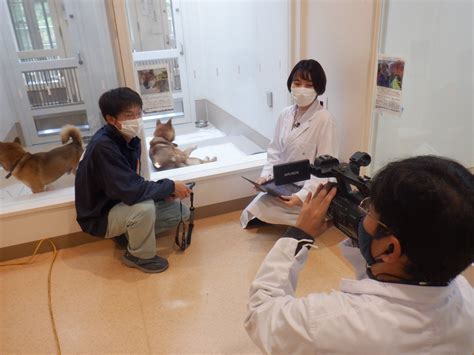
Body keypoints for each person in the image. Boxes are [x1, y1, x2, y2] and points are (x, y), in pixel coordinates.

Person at [245, 155, 474, 354]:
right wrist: (363, 241)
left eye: (369, 210)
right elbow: (389, 281)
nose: (362, 216)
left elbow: (261, 314)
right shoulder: (466, 299)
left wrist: (298, 234)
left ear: (391, 249)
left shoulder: (331, 322)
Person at [75, 87, 191, 273]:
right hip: (100, 215)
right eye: (129, 115)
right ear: (111, 119)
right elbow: (129, 190)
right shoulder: (103, 147)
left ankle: (125, 234)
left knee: (180, 213)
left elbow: (130, 183)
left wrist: (164, 193)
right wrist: (169, 186)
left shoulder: (129, 139)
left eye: (139, 113)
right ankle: (139, 256)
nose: (136, 120)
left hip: (118, 202)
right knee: (143, 209)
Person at [240, 59, 338, 228]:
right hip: (284, 184)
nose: (302, 89)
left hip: (309, 188)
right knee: (252, 211)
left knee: (301, 215)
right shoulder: (285, 114)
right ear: (290, 85)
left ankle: (316, 215)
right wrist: (266, 177)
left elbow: (326, 169)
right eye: (297, 83)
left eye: (308, 85)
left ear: (318, 88)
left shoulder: (324, 119)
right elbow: (275, 151)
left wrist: (301, 196)